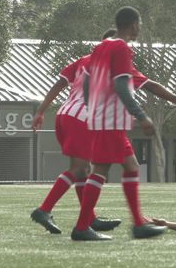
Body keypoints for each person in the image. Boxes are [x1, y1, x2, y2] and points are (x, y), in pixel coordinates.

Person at [72, 6, 176, 241]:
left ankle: (137, 223)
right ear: (134, 25)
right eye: (140, 24)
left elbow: (87, 81)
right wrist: (142, 116)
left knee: (131, 167)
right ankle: (83, 227)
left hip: (103, 118)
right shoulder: (121, 48)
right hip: (110, 120)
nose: (140, 28)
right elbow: (121, 86)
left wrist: (90, 107)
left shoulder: (101, 47)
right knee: (101, 170)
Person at [28, 29, 122, 235]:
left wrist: (41, 111)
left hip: (65, 114)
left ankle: (90, 218)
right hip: (82, 118)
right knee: (79, 169)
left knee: (83, 169)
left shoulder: (84, 60)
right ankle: (44, 209)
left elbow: (59, 83)